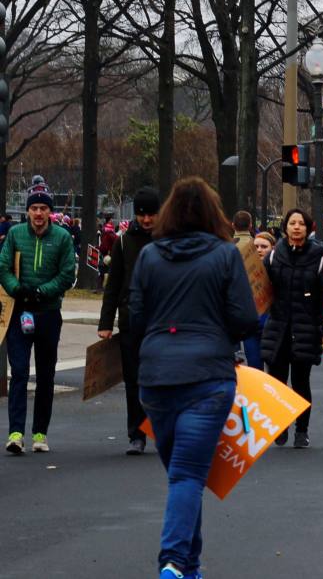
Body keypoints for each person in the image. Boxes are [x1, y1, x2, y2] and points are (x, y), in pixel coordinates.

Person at [127, 177, 259, 579]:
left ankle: (190, 566)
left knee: (184, 474)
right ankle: (171, 562)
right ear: (212, 212)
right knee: (188, 474)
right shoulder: (225, 255)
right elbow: (245, 320)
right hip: (207, 378)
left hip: (156, 377)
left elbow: (135, 317)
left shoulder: (149, 256)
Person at [2, 179, 76, 455]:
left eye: (44, 208)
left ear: (50, 212)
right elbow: (3, 265)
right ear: (28, 211)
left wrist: (43, 291)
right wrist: (17, 289)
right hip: (20, 313)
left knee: (46, 374)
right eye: (34, 208)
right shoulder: (15, 234)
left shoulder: (63, 238)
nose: (39, 214)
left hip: (47, 313)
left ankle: (40, 433)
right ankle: (15, 432)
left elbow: (67, 273)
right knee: (19, 372)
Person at [98, 186, 161, 455]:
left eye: (151, 215)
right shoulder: (123, 241)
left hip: (162, 320)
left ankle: (159, 427)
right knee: (133, 379)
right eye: (141, 215)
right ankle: (136, 433)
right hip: (130, 320)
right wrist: (105, 322)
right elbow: (113, 286)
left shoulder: (167, 239)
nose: (146, 220)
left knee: (160, 378)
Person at [260, 208, 323, 449]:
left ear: (308, 229)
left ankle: (302, 429)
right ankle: (279, 425)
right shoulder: (274, 255)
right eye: (292, 223)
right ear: (285, 227)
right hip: (278, 327)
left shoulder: (318, 257)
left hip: (305, 328)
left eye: (301, 223)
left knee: (301, 382)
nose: (296, 227)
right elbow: (261, 289)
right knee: (277, 383)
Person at [231, 211, 266, 370]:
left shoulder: (227, 246)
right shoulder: (258, 246)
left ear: (233, 225)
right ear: (251, 225)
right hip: (261, 305)